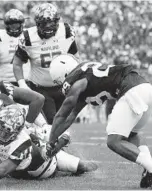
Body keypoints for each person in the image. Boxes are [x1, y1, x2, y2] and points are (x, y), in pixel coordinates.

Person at [44, 54, 152, 188]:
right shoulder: (86, 77)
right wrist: (54, 140)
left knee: (114, 141)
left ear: (63, 74)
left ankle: (150, 166)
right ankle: (148, 169)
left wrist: (50, 141)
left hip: (130, 89)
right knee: (132, 134)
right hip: (145, 87)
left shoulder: (77, 81)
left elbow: (61, 116)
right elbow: (71, 117)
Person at [0, 104, 97, 180]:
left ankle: (58, 149)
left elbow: (0, 173)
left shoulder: (22, 143)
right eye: (0, 127)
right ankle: (55, 146)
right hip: (16, 165)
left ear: (17, 131)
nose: (1, 133)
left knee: (81, 167)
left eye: (7, 131)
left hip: (43, 167)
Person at [13, 3, 78, 125]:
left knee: (62, 121)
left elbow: (75, 57)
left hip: (63, 86)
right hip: (40, 88)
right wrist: (22, 84)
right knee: (50, 122)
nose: (48, 26)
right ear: (37, 23)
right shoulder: (28, 38)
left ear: (57, 21)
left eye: (52, 23)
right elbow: (17, 64)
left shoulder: (67, 31)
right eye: (44, 23)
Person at [0, 9, 29, 86]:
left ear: (22, 24)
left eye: (16, 24)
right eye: (11, 24)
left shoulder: (28, 35)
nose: (13, 27)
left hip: (27, 80)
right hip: (6, 81)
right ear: (6, 25)